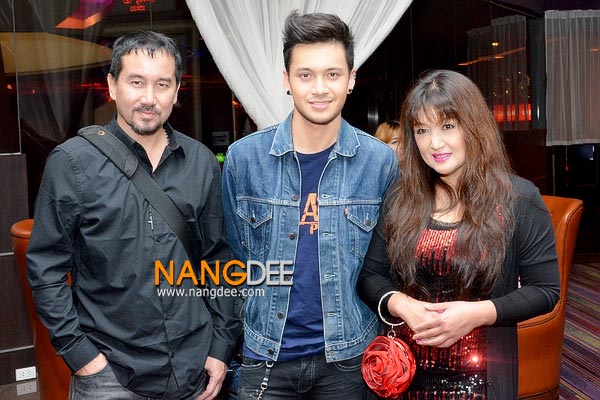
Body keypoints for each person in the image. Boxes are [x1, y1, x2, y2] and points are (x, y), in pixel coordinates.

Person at [26, 31, 241, 400]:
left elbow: (218, 260)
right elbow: (45, 269)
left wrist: (220, 347)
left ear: (176, 91)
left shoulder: (201, 162)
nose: (149, 98)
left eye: (162, 84)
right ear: (112, 86)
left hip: (194, 369)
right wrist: (81, 355)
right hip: (110, 374)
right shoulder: (72, 163)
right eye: (136, 82)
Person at [222, 10, 398, 400]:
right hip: (265, 356)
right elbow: (232, 261)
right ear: (286, 80)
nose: (320, 88)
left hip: (349, 359)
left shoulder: (380, 162)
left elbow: (384, 267)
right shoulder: (244, 159)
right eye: (305, 75)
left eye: (332, 74)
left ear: (351, 79)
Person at [357, 69, 560, 399]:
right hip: (403, 375)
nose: (434, 143)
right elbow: (370, 276)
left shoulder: (518, 200)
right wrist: (401, 304)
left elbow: (545, 290)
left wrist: (476, 314)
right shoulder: (400, 198)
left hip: (480, 380)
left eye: (448, 126)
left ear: (474, 127)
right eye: (422, 130)